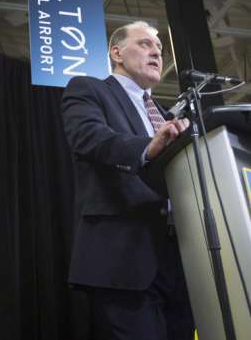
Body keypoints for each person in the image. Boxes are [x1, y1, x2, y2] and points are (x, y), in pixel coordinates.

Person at [62, 21, 194, 340]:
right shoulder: (88, 89)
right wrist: (146, 148)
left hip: (181, 260)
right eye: (145, 44)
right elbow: (89, 137)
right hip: (125, 257)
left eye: (159, 49)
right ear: (117, 52)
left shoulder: (165, 114)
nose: (156, 53)